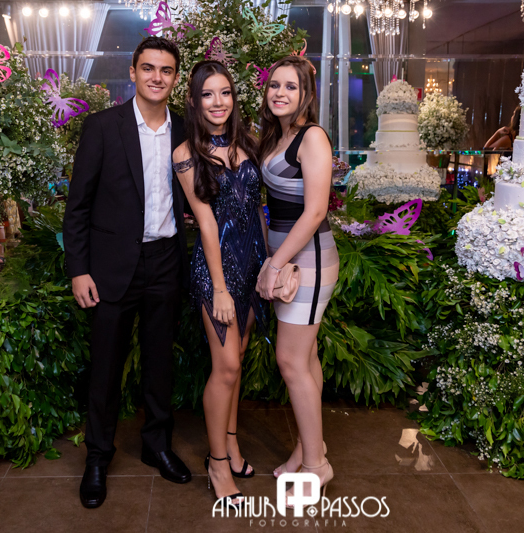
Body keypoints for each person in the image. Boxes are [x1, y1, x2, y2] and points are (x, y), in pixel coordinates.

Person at [63, 36, 192, 510]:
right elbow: (77, 207)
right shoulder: (103, 127)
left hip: (166, 261)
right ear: (133, 72)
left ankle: (157, 445)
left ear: (175, 78)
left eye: (166, 70)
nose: (157, 77)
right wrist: (79, 271)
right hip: (111, 267)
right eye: (149, 68)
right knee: (106, 368)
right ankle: (98, 456)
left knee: (159, 364)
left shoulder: (186, 129)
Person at [172, 60, 267, 511]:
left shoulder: (248, 142)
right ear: (193, 101)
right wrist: (222, 287)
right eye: (208, 94)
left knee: (239, 359)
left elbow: (258, 209)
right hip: (217, 269)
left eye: (225, 92)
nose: (218, 102)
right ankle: (216, 463)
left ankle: (230, 443)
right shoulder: (186, 153)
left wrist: (268, 267)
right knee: (226, 367)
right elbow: (207, 223)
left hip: (251, 264)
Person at [256, 56, 337, 503]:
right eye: (274, 85)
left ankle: (315, 467)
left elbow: (316, 210)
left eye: (290, 86)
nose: (280, 93)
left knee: (290, 362)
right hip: (287, 257)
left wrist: (274, 264)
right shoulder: (277, 134)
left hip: (308, 260)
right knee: (305, 360)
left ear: (306, 93)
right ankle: (309, 448)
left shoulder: (312, 137)